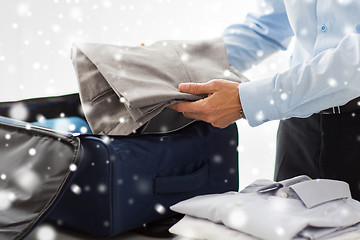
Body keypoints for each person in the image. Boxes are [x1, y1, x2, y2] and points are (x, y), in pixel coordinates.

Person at [170, 0, 360, 200]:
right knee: (286, 223)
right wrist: (175, 63)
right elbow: (267, 26)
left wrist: (249, 100)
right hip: (299, 124)